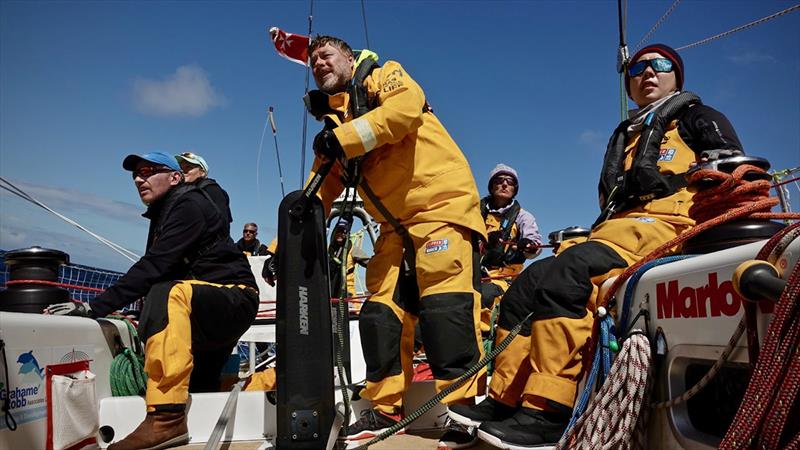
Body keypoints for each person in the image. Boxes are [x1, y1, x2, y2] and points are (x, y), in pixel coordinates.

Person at [447, 43, 745, 449]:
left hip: (668, 227)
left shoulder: (698, 118)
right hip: (615, 231)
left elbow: (734, 173)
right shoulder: (628, 135)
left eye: (660, 66)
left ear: (678, 77)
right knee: (527, 286)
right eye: (638, 68)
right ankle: (504, 399)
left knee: (569, 274)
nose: (648, 73)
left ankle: (547, 410)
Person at [281, 34, 488, 448]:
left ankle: (466, 411)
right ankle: (385, 407)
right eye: (313, 60)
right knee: (379, 315)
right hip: (394, 229)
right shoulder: (334, 126)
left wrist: (345, 138)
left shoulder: (382, 77)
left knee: (447, 309)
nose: (318, 62)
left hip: (440, 210)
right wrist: (280, 247)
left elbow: (405, 111)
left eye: (326, 54)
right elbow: (315, 193)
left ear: (348, 57)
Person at [45, 151, 259, 450]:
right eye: (135, 173)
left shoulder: (188, 205)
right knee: (201, 386)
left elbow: (154, 266)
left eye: (147, 171)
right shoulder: (165, 210)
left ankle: (165, 420)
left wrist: (93, 307)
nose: (138, 178)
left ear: (175, 178)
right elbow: (158, 267)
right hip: (205, 301)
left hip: (232, 297)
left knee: (168, 294)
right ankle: (195, 418)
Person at [478, 164, 542, 335]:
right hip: (471, 273)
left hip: (503, 279)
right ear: (491, 186)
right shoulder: (474, 212)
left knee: (485, 295)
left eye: (510, 182)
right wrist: (484, 243)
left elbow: (535, 247)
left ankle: (482, 341)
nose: (504, 184)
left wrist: (526, 244)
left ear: (515, 189)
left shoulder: (523, 217)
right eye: (499, 181)